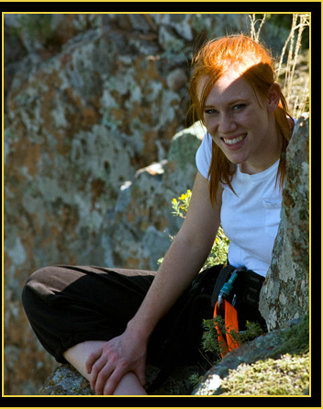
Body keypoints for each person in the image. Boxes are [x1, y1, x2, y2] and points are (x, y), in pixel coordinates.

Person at [22, 34, 294, 396]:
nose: (224, 126)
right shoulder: (217, 150)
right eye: (210, 111)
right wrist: (134, 335)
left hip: (265, 316)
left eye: (238, 106)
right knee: (47, 291)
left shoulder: (304, 158)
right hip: (215, 302)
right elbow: (194, 239)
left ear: (271, 97)